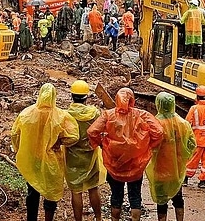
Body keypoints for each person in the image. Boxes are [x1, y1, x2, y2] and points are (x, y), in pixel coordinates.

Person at [87, 88, 164, 221]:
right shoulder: (142, 115)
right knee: (135, 197)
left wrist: (102, 144)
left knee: (116, 196)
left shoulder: (107, 115)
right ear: (132, 100)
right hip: (136, 165)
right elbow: (158, 132)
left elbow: (92, 132)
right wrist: (147, 146)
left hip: (114, 164)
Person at [12, 83, 79, 221]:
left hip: (32, 158)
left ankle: (32, 218)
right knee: (50, 192)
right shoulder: (61, 116)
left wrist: (20, 150)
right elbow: (74, 136)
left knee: (32, 190)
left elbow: (15, 134)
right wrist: (60, 142)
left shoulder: (26, 114)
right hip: (51, 159)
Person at [147, 92, 196, 221]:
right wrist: (183, 156)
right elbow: (192, 144)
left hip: (160, 168)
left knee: (161, 200)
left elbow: (147, 145)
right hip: (177, 169)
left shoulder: (155, 123)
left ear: (159, 104)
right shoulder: (183, 124)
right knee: (178, 197)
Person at [65, 80, 106, 221]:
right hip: (91, 156)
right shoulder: (94, 113)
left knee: (76, 192)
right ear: (86, 97)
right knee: (93, 188)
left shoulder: (67, 115)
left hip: (72, 157)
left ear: (72, 96)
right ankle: (99, 218)